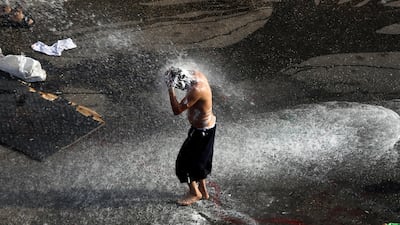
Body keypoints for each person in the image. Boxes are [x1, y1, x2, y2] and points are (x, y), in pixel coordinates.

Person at [165, 66, 217, 206]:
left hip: (202, 132)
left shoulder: (196, 90)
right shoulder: (195, 75)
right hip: (204, 129)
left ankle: (195, 193)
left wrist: (171, 89)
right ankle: (204, 191)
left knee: (183, 164)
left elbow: (177, 110)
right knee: (200, 162)